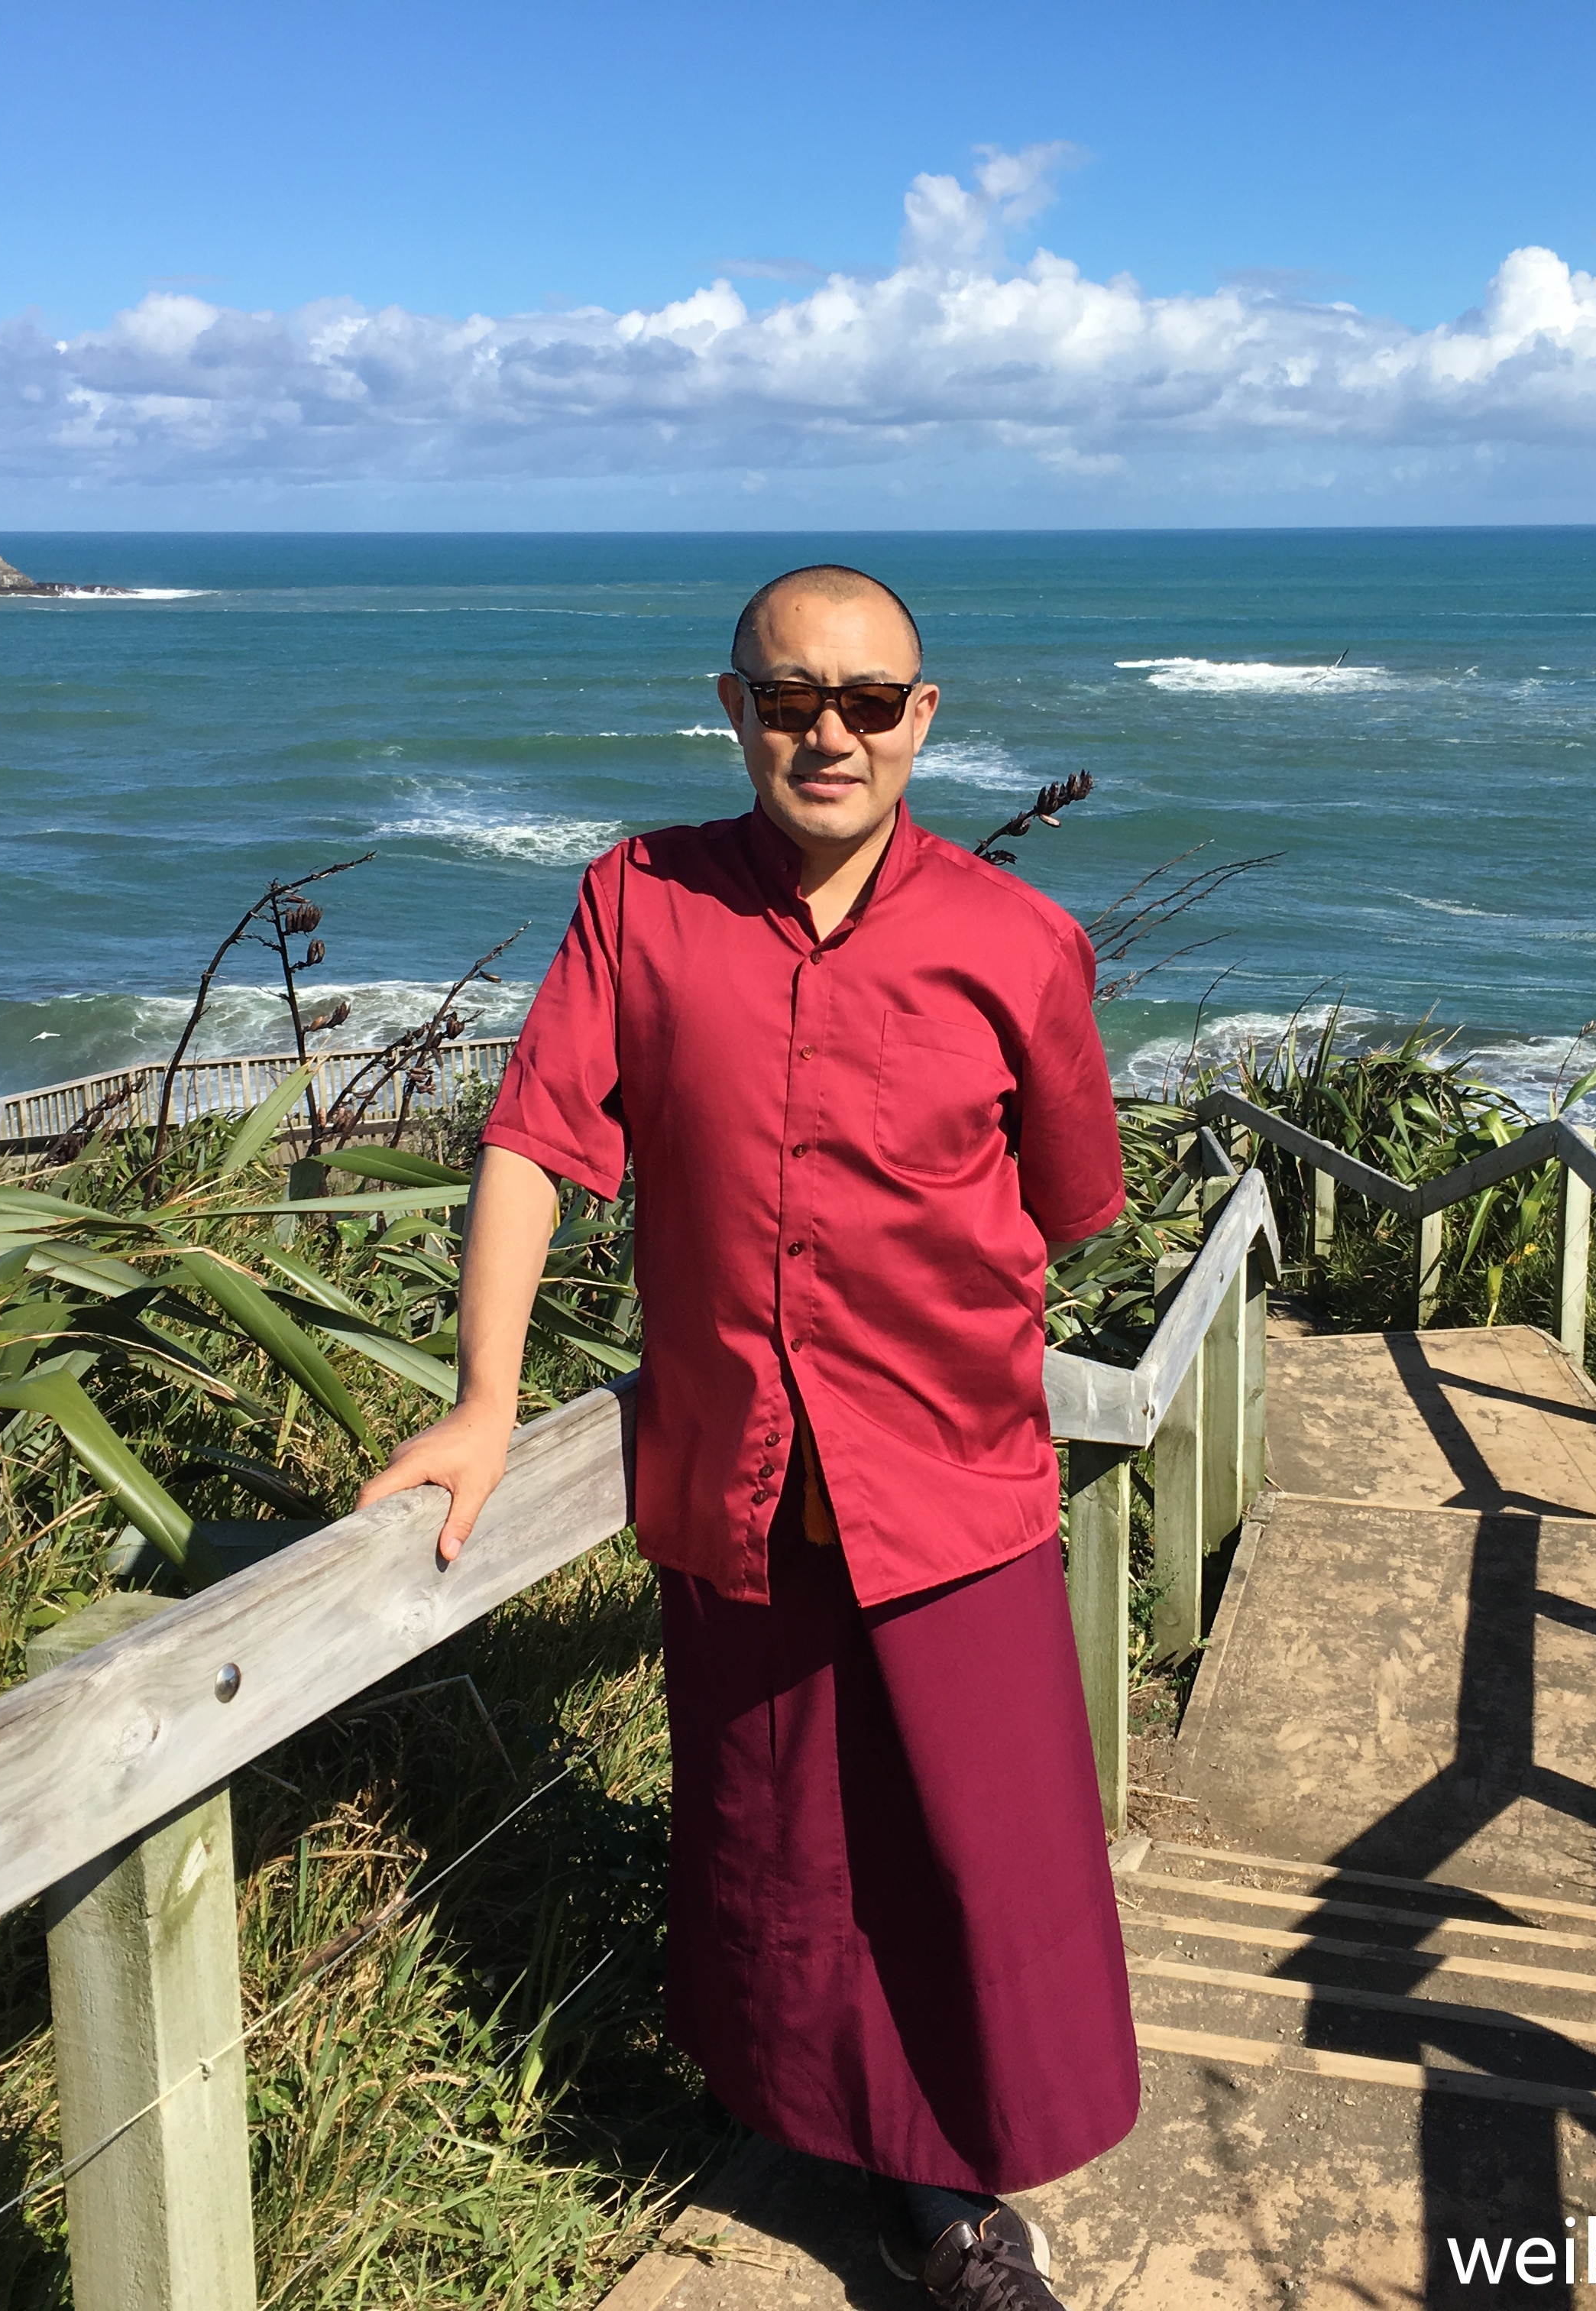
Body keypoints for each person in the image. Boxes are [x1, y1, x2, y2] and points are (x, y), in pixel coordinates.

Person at [358, 565, 1138, 2311]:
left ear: (922, 721)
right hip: (742, 1486)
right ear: (736, 710)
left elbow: (1067, 1202)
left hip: (953, 1485)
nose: (829, 734)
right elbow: (535, 1142)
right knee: (784, 1854)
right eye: (791, 699)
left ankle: (958, 2192)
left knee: (975, 1858)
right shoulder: (638, 903)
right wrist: (485, 1404)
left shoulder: (1021, 944)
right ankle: (890, 2182)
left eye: (868, 702)